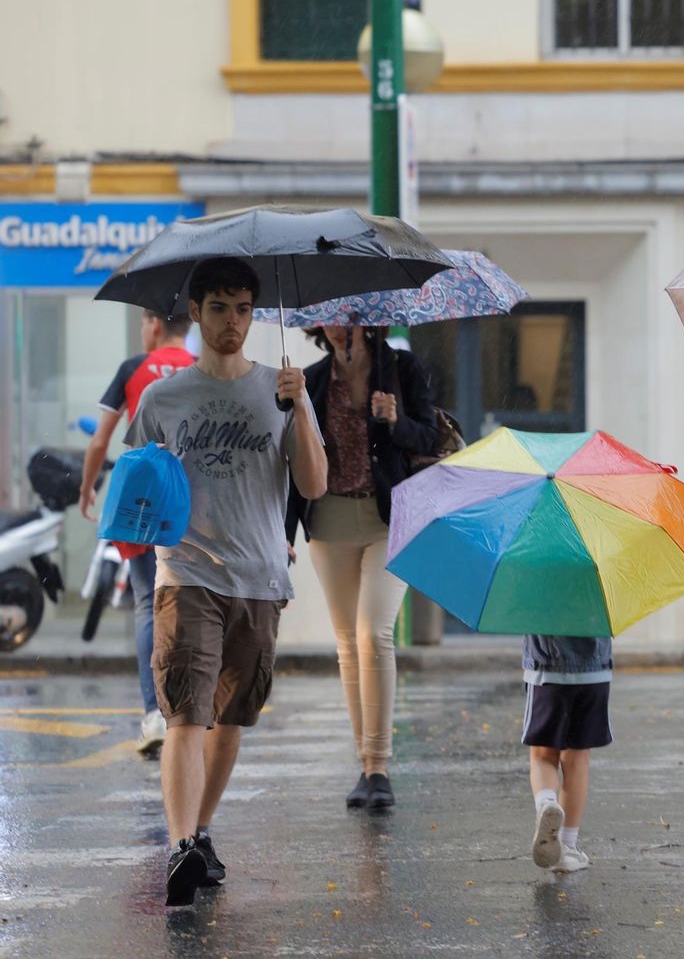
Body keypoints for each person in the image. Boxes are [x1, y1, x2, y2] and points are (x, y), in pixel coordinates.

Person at [126, 258, 327, 906]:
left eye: (243, 308)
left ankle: (201, 829)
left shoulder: (282, 388)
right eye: (219, 308)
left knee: (232, 717)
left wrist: (299, 409)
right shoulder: (164, 398)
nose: (232, 321)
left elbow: (315, 483)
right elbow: (138, 481)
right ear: (197, 312)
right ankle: (182, 845)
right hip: (185, 575)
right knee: (186, 713)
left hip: (260, 578)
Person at [285, 325, 438, 811]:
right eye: (329, 316)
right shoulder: (309, 380)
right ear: (317, 324)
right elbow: (291, 460)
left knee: (374, 634)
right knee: (348, 643)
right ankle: (364, 766)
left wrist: (396, 421)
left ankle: (378, 766)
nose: (340, 324)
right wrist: (281, 535)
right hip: (329, 520)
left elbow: (430, 435)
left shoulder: (401, 368)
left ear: (369, 318)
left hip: (389, 519)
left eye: (349, 314)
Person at [79, 309, 195, 757]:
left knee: (149, 603)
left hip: (143, 503)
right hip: (193, 503)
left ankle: (154, 715)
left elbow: (99, 439)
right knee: (195, 602)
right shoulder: (200, 368)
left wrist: (88, 488)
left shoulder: (134, 369)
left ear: (153, 323)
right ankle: (193, 712)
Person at [525, 633, 611, 873]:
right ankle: (568, 848)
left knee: (543, 756)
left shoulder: (537, 592)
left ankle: (547, 803)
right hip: (594, 673)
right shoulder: (602, 594)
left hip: (547, 670)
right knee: (577, 759)